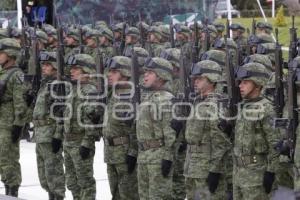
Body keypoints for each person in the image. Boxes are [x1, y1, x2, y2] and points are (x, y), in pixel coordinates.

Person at [54, 53, 100, 200]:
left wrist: (87, 143)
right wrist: (58, 136)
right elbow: (66, 117)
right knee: (72, 183)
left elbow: (93, 121)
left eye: (76, 69)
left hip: (81, 142)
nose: (71, 72)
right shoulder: (73, 89)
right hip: (68, 142)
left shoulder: (90, 91)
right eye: (71, 69)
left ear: (86, 71)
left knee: (85, 183)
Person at [184, 60, 230, 200]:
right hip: (192, 167)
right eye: (194, 78)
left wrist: (214, 170)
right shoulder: (199, 101)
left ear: (211, 80)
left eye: (200, 78)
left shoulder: (216, 104)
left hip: (206, 169)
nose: (195, 82)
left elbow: (221, 142)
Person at [233, 62, 280, 199]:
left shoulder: (266, 109)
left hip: (257, 176)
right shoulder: (243, 106)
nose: (241, 86)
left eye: (246, 82)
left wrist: (270, 172)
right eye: (240, 82)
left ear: (258, 84)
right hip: (239, 174)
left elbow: (274, 143)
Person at [136, 57, 176, 199]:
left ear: (161, 76)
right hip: (144, 157)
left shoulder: (166, 100)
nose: (145, 75)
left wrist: (168, 158)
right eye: (145, 72)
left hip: (158, 158)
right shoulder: (148, 98)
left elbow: (171, 134)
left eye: (150, 73)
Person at [103, 56, 139, 199]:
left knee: (128, 195)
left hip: (125, 154)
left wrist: (133, 152)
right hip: (111, 154)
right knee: (115, 194)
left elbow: (138, 127)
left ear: (125, 73)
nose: (109, 75)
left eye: (114, 72)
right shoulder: (113, 93)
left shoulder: (132, 96)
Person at [33, 51, 65, 200]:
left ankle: (57, 197)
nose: (44, 67)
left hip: (50, 134)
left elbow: (61, 114)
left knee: (54, 174)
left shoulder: (57, 86)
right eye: (43, 65)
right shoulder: (45, 83)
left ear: (54, 67)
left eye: (47, 65)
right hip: (40, 134)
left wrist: (58, 136)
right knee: (44, 175)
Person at [0, 38, 28, 197]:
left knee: (9, 159)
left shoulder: (16, 75)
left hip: (9, 124)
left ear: (10, 54)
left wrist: (18, 125)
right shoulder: (2, 72)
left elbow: (20, 103)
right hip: (1, 121)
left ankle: (12, 191)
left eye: (2, 53)